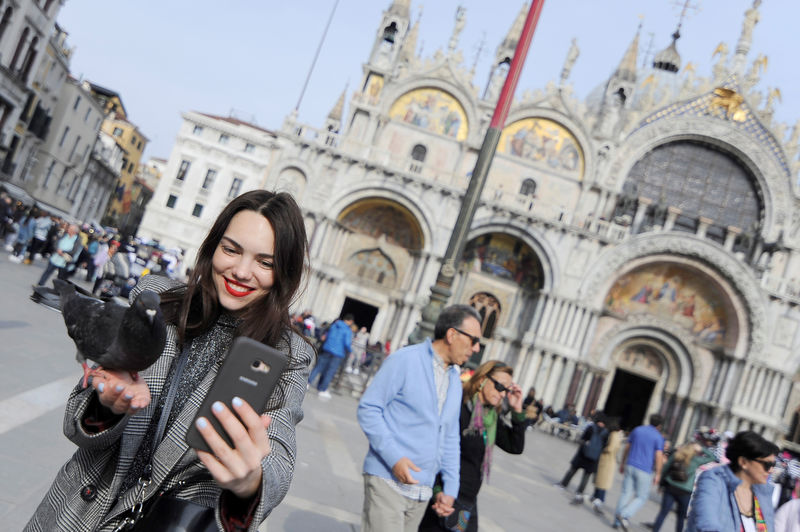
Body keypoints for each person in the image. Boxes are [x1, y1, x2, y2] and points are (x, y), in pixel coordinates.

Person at [25, 190, 314, 531]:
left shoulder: (289, 354)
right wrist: (106, 406)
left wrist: (251, 482)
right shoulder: (155, 298)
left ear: (285, 272)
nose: (241, 271)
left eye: (265, 263)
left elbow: (279, 453)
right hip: (74, 513)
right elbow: (76, 421)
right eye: (231, 249)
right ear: (212, 247)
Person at [358, 304, 482, 532]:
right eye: (474, 340)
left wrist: (450, 489)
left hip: (422, 491)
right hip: (387, 479)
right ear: (452, 334)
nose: (476, 349)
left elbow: (450, 436)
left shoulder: (455, 379)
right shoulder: (405, 360)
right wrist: (394, 458)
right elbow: (369, 409)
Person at [419, 360, 526, 532]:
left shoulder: (490, 418)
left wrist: (517, 410)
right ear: (483, 379)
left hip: (467, 502)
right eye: (500, 387)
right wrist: (438, 491)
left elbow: (515, 446)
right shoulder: (460, 408)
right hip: (446, 496)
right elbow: (437, 451)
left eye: (507, 390)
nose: (503, 394)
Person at [686, 430, 779, 532]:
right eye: (767, 465)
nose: (771, 470)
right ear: (743, 462)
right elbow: (707, 524)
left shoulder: (762, 493)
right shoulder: (713, 481)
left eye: (773, 465)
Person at [614, 414, 666, 531]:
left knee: (625, 493)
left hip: (631, 464)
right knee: (642, 496)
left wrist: (623, 462)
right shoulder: (658, 437)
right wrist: (658, 473)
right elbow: (658, 456)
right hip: (645, 469)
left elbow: (627, 446)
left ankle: (616, 522)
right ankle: (624, 514)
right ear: (659, 425)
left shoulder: (638, 430)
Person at [652, 441, 716, 532]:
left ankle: (655, 530)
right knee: (681, 517)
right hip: (685, 491)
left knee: (663, 513)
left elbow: (665, 469)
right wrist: (702, 449)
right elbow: (712, 457)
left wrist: (661, 485)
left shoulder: (676, 456)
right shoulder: (696, 460)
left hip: (670, 486)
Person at [558, 411, 609, 503]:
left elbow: (583, 438)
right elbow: (605, 445)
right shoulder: (606, 433)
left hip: (583, 454)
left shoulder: (591, 427)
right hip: (594, 458)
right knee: (586, 476)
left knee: (573, 470)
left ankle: (563, 485)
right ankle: (579, 492)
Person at [308, 313, 354, 399]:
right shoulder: (347, 330)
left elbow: (327, 335)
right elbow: (347, 343)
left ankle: (307, 383)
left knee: (318, 367)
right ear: (350, 321)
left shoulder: (334, 325)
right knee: (330, 372)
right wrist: (351, 351)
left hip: (327, 348)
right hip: (338, 353)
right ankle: (322, 389)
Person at [591, 416, 623, 513]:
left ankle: (600, 499)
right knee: (600, 480)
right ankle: (596, 496)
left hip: (607, 460)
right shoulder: (617, 434)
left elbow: (611, 448)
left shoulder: (613, 434)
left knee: (603, 481)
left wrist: (603, 450)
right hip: (608, 461)